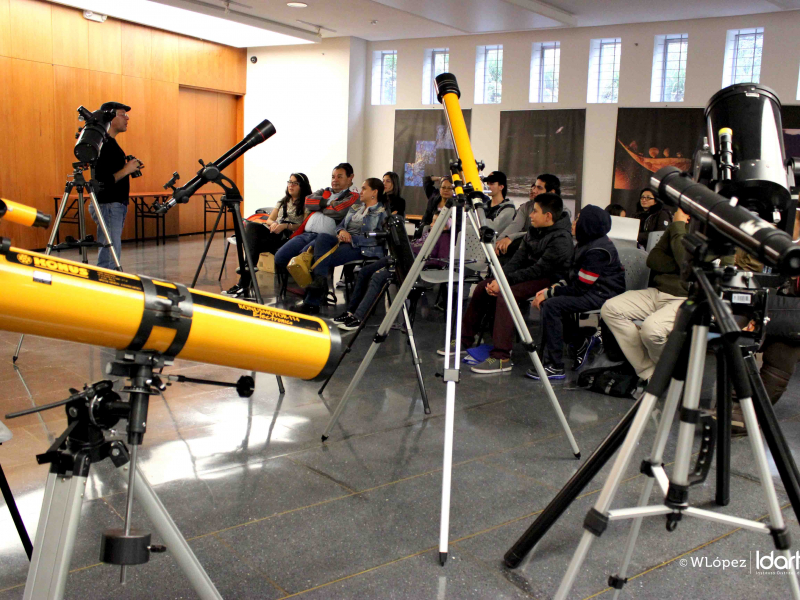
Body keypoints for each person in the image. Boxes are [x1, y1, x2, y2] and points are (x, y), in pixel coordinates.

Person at [437, 193, 573, 374]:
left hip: (550, 279)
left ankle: (502, 357)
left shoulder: (561, 239)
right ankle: (465, 339)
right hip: (528, 275)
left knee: (505, 295)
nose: (530, 215)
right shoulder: (533, 231)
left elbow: (539, 270)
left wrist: (504, 283)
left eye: (535, 212)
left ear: (548, 216)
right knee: (481, 288)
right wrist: (498, 279)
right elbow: (517, 260)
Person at [528, 204, 626, 380]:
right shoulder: (586, 243)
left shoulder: (597, 251)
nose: (574, 223)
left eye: (579, 219)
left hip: (604, 295)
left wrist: (549, 294)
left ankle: (554, 365)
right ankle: (580, 341)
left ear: (588, 224)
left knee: (552, 305)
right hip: (592, 290)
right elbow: (573, 277)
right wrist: (550, 289)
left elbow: (579, 288)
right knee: (554, 302)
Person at [600, 208, 691, 384]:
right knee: (610, 309)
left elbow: (686, 262)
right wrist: (682, 266)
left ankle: (669, 372)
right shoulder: (674, 229)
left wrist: (678, 225)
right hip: (658, 291)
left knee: (651, 330)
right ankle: (649, 372)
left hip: (686, 297)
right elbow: (653, 259)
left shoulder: (709, 233)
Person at [294, 178, 387, 314]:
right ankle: (320, 283)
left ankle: (312, 301)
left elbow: (378, 238)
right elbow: (340, 225)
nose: (360, 192)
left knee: (320, 258)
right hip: (343, 241)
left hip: (362, 248)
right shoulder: (355, 208)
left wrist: (351, 239)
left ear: (374, 192)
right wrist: (342, 231)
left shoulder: (381, 213)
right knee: (323, 237)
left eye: (364, 188)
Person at [222, 173, 311, 298]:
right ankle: (247, 273)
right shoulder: (283, 200)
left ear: (302, 186)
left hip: (290, 239)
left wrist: (285, 226)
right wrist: (274, 224)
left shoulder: (306, 202)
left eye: (295, 183)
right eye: (289, 182)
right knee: (252, 227)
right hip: (275, 234)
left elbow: (305, 225)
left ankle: (244, 282)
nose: (291, 185)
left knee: (253, 245)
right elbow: (269, 219)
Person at [274, 162, 360, 289]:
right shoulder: (324, 191)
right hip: (306, 234)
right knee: (280, 257)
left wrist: (320, 206)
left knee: (305, 260)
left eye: (339, 176)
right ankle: (300, 287)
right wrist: (328, 203)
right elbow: (308, 201)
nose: (335, 180)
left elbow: (338, 211)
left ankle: (314, 292)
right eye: (333, 177)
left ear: (350, 177)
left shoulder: (352, 196)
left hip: (325, 238)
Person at [89, 101, 142, 270]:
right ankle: (108, 285)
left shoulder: (110, 143)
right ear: (110, 117)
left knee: (111, 249)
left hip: (114, 204)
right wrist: (126, 169)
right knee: (110, 254)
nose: (127, 118)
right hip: (109, 204)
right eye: (122, 114)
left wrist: (127, 168)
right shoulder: (104, 144)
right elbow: (103, 180)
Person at [496, 174, 561, 263]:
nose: (534, 190)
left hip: (545, 253)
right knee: (502, 249)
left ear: (551, 192)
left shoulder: (562, 212)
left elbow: (542, 234)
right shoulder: (526, 207)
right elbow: (515, 226)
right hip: (526, 247)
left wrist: (511, 237)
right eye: (534, 187)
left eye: (539, 188)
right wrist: (498, 242)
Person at [482, 171, 515, 235]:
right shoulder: (484, 206)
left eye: (491, 184)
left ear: (501, 187)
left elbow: (494, 227)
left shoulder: (508, 209)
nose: (488, 186)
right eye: (487, 183)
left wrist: (477, 219)